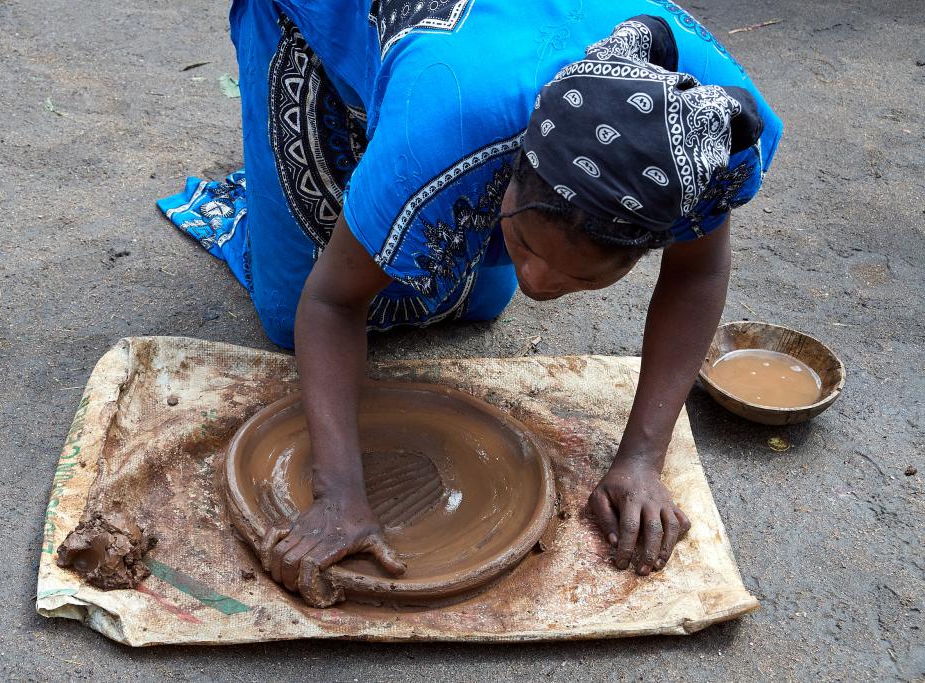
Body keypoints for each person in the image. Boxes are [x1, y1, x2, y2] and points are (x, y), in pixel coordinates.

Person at [158, 1, 782, 605]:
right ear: (513, 166)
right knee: (292, 306)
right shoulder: (449, 112)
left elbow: (697, 274)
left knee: (467, 295)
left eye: (577, 280)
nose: (536, 283)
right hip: (333, 18)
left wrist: (643, 458)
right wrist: (340, 491)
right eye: (526, 243)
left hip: (476, 77)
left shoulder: (709, 144)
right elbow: (328, 307)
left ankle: (394, 192)